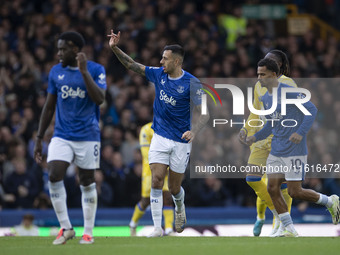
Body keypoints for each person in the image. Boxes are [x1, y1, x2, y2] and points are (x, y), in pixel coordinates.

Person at [108, 30, 209, 237]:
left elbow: (206, 112)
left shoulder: (192, 83)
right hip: (160, 136)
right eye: (162, 57)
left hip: (181, 141)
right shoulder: (158, 74)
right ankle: (157, 228)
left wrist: (194, 131)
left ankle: (180, 207)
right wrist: (115, 48)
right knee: (156, 180)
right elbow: (132, 65)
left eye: (165, 58)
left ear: (177, 61)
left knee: (173, 189)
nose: (161, 61)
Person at [246, 58, 340, 237]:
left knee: (294, 191)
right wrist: (255, 137)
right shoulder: (265, 97)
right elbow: (270, 125)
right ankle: (287, 228)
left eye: (263, 74)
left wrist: (300, 132)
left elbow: (311, 110)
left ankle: (330, 201)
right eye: (258, 74)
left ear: (274, 75)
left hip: (294, 150)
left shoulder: (289, 92)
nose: (259, 78)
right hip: (277, 149)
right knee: (272, 187)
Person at [34, 31, 106, 245]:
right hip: (62, 135)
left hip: (88, 136)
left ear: (75, 49)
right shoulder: (56, 72)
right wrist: (39, 137)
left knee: (86, 181)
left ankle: (88, 232)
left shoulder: (95, 69)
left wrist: (84, 72)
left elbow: (100, 98)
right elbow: (49, 107)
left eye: (63, 49)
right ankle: (66, 228)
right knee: (54, 174)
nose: (59, 53)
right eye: (58, 48)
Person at [238, 50, 296, 236]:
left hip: (281, 137)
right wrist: (247, 128)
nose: (265, 63)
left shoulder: (288, 83)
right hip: (262, 137)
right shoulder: (258, 85)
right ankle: (278, 214)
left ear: (278, 66)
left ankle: (280, 226)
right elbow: (255, 111)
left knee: (282, 184)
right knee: (253, 178)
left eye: (270, 62)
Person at [129, 122, 174, 236]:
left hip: (166, 168)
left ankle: (168, 229)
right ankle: (133, 224)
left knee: (167, 197)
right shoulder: (146, 130)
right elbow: (146, 154)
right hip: (150, 170)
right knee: (146, 201)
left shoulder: (170, 128)